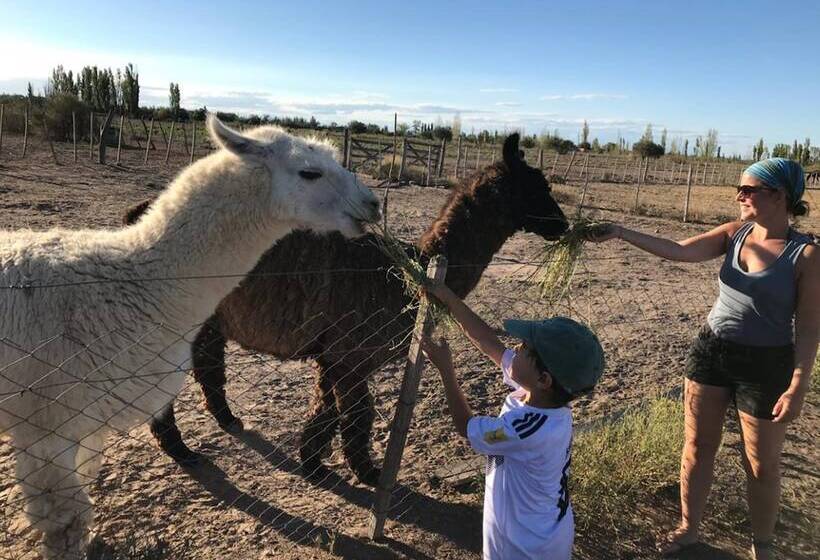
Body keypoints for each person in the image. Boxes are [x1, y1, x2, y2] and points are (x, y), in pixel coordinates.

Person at [586, 158, 819, 559]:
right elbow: (678, 251)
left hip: (766, 367)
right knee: (697, 445)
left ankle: (761, 545)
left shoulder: (807, 255)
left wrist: (798, 385)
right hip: (712, 353)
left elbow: (811, 328)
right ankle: (689, 528)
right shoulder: (735, 233)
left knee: (761, 464)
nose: (739, 196)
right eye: (740, 188)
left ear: (780, 196)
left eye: (749, 189)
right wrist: (621, 232)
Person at [421, 282, 604, 560]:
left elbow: (466, 426)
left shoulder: (525, 429)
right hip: (543, 532)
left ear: (544, 379)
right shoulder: (548, 401)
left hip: (523, 547)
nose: (515, 349)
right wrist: (448, 297)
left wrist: (447, 371)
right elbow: (487, 342)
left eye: (523, 349)